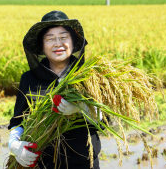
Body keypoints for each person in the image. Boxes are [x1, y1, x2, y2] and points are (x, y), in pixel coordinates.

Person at [8, 10, 102, 169]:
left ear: (73, 42)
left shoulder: (89, 77)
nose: (58, 43)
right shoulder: (28, 79)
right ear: (42, 46)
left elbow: (103, 120)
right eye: (50, 39)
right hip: (43, 163)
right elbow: (18, 121)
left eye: (64, 37)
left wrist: (82, 108)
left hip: (84, 163)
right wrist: (14, 145)